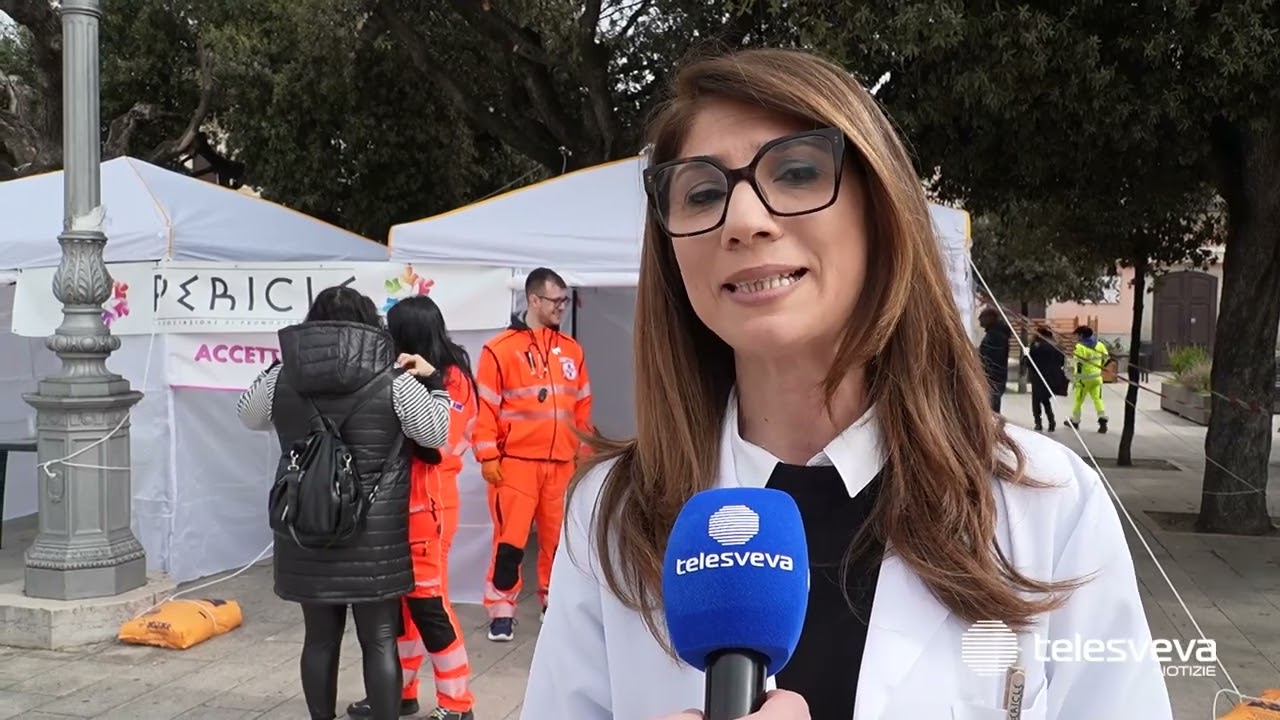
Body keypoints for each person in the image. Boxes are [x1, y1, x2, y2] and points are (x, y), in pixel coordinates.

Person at [520, 48, 1170, 720]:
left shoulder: (1047, 507)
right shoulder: (609, 516)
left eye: (797, 172)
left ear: (880, 210)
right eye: (703, 192)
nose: (744, 221)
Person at [236, 286, 453, 720]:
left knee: (318, 638)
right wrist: (436, 384)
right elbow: (435, 434)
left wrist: (282, 362)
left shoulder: (285, 376)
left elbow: (248, 414)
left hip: (307, 527)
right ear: (370, 324)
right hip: (376, 534)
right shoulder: (394, 379)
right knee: (380, 637)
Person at [344, 296, 478, 720]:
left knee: (429, 605)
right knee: (401, 606)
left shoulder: (451, 380)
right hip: (403, 503)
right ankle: (398, 692)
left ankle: (458, 705)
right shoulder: (404, 376)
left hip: (432, 502)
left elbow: (440, 444)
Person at [473, 267, 594, 642]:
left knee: (556, 543)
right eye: (555, 301)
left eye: (564, 300)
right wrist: (488, 456)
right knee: (509, 543)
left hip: (560, 466)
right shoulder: (499, 350)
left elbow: (582, 411)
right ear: (534, 299)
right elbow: (486, 409)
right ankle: (501, 611)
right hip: (515, 467)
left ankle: (552, 603)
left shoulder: (573, 351)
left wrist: (584, 457)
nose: (562, 307)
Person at [1068, 325, 1110, 432]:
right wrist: (1100, 367)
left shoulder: (1080, 347)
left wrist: (1077, 378)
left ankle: (1075, 421)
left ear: (1081, 335)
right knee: (1098, 399)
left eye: (1077, 335)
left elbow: (1079, 364)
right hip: (1097, 378)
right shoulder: (1100, 345)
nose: (1076, 337)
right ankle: (1102, 419)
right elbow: (1107, 358)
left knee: (1078, 400)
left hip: (1084, 379)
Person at [1026, 326, 1067, 431]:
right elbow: (1061, 361)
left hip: (1039, 376)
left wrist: (1026, 356)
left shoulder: (1036, 347)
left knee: (1036, 401)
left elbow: (1030, 363)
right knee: (1045, 399)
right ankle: (1051, 422)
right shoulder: (1056, 346)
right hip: (1052, 378)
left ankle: (1038, 423)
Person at [977, 306, 1013, 412]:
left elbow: (991, 357)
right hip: (994, 377)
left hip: (993, 377)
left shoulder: (996, 335)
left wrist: (984, 369)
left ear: (990, 318)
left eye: (982, 318)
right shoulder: (994, 334)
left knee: (991, 406)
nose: (980, 321)